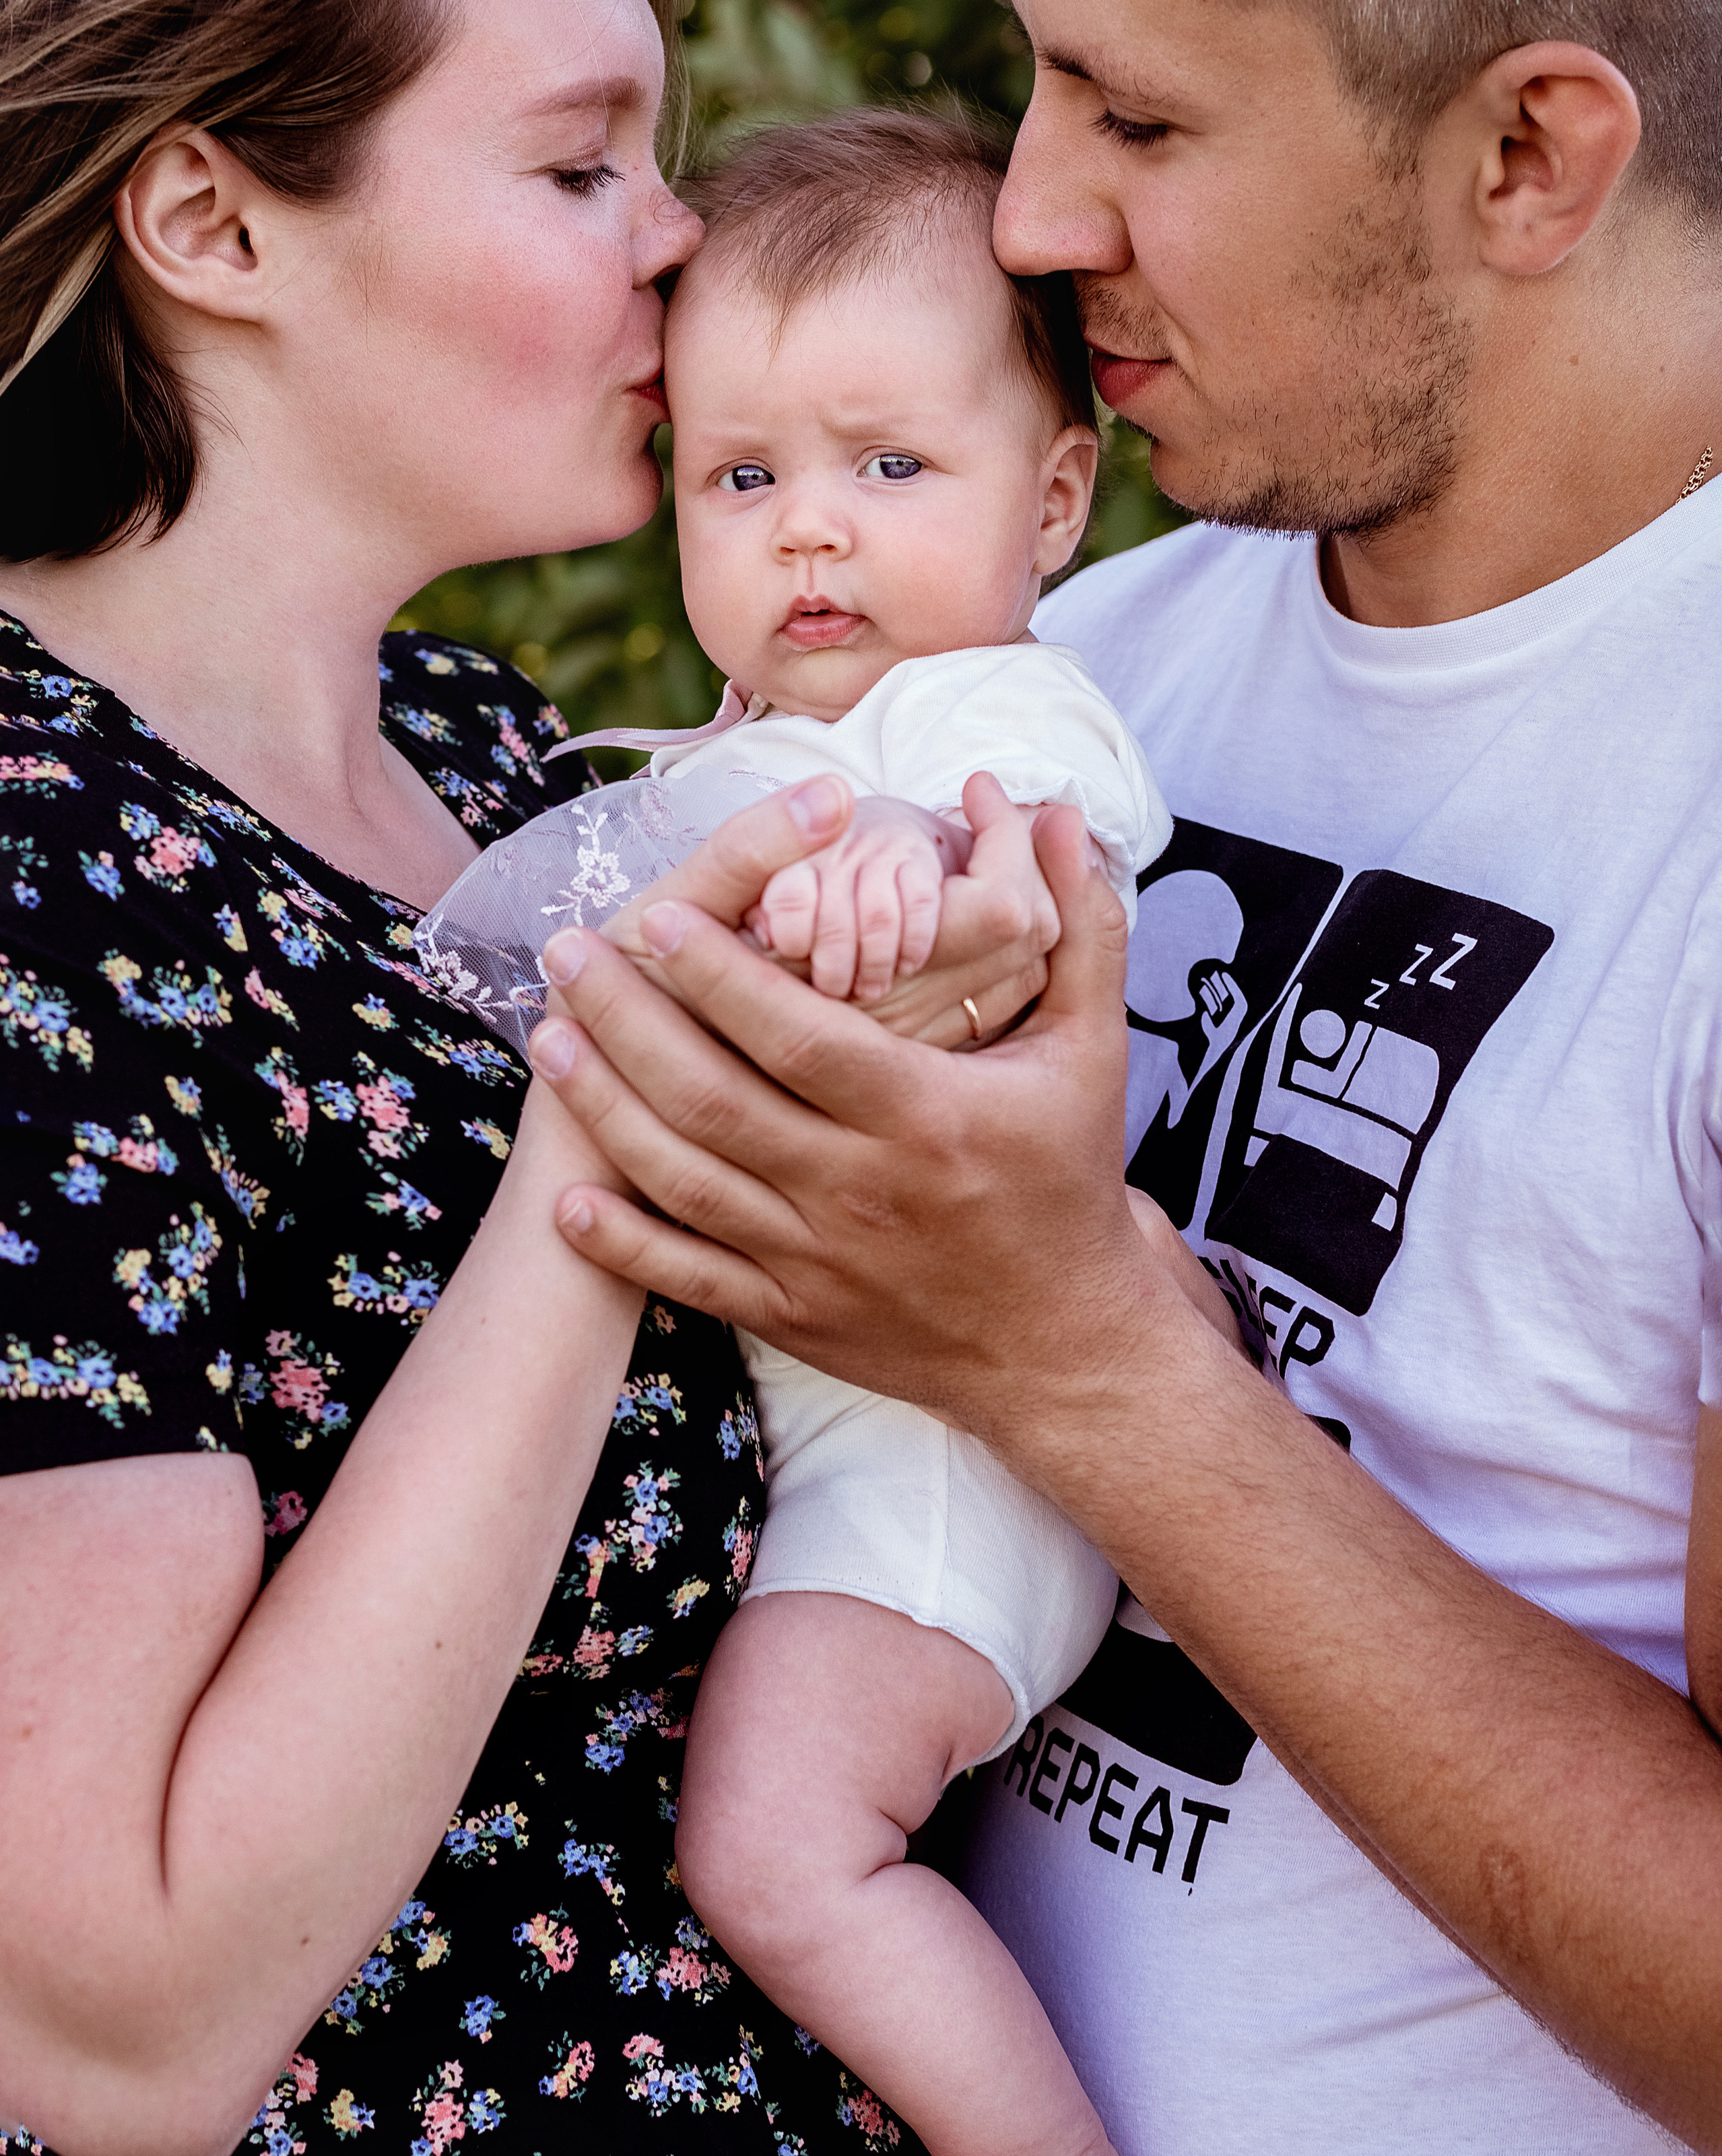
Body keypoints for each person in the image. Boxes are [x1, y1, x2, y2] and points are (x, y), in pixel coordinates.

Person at [517, 3, 1722, 2152]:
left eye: (1137, 113)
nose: (1032, 208)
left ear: (1529, 154)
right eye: (1042, 77)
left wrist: (1082, 1360)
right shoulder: (1062, 649)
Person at [0, 2, 1052, 2149]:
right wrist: (626, 1096)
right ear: (214, 222)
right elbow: (123, 2034)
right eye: (584, 169)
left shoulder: (486, 748)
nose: (681, 246)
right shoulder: (31, 872)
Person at [419, 108, 1169, 2156]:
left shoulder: (985, 710)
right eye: (744, 476)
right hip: (866, 1438)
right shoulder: (761, 744)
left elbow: (1029, 852)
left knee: (772, 1846)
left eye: (889, 464)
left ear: (1057, 498)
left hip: (943, 1472)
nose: (809, 530)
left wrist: (911, 873)